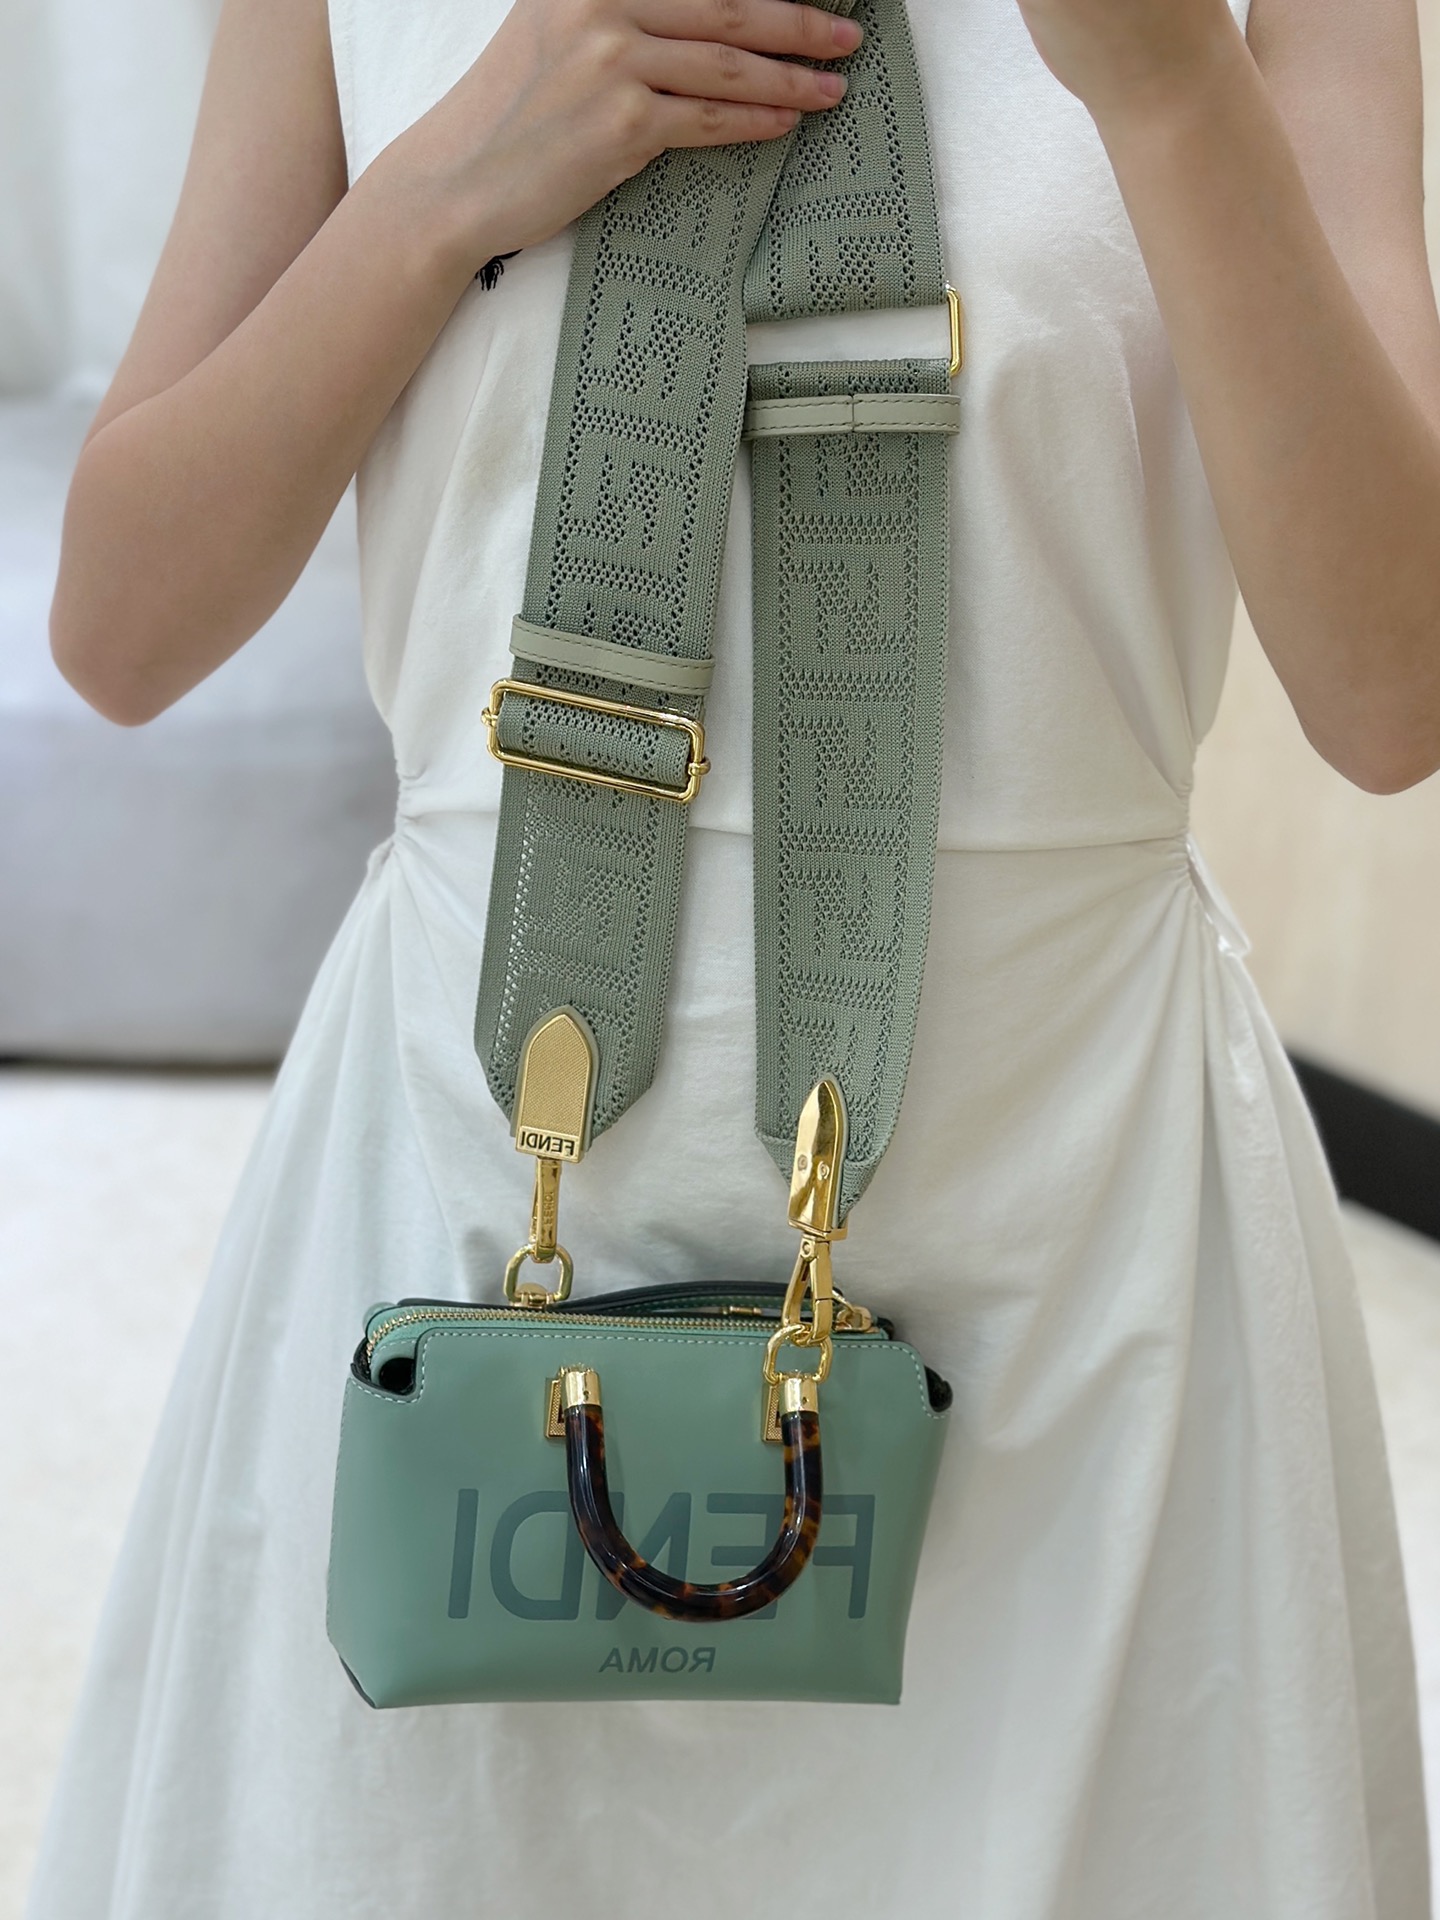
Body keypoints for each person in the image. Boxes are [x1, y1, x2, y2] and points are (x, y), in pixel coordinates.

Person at [31, 0, 1437, 1912]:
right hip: (466, 1235)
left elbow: (1390, 692)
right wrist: (452, 181)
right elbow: (122, 628)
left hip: (1075, 1281)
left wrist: (1174, 90)